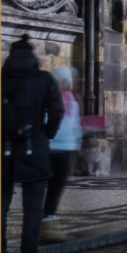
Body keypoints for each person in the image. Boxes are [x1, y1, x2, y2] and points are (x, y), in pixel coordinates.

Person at [2, 35, 64, 253]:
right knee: (33, 209)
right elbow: (57, 111)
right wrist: (46, 133)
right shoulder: (43, 79)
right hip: (34, 147)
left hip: (1, 149)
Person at [40, 65, 82, 242]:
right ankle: (45, 218)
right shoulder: (66, 101)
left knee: (49, 187)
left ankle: (45, 218)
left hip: (58, 148)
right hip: (57, 148)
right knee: (49, 187)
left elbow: (72, 125)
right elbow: (71, 126)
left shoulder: (67, 100)